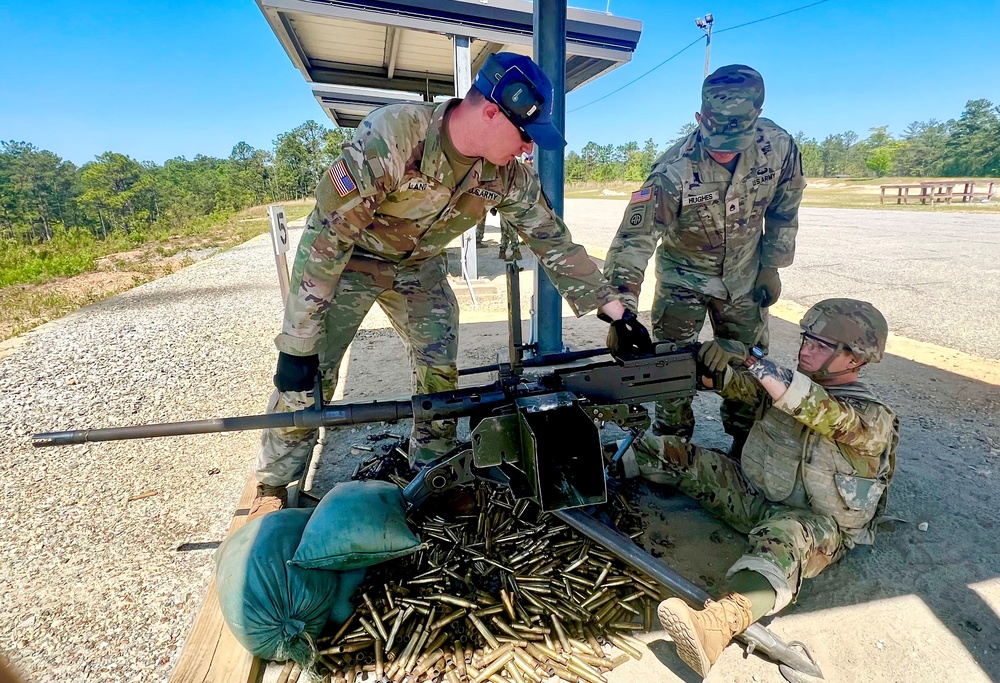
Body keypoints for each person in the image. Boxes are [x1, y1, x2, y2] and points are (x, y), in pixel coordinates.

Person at [250, 53, 652, 518]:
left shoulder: (506, 175)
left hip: (418, 266)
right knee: (309, 374)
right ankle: (274, 485)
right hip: (351, 261)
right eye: (524, 135)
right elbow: (327, 237)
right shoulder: (394, 136)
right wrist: (296, 343)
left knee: (440, 365)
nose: (527, 149)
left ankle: (432, 469)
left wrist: (616, 312)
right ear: (489, 112)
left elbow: (551, 240)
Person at [632, 299, 897, 677]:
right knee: (666, 452)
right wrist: (710, 364)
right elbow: (738, 385)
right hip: (752, 495)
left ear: (856, 358)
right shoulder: (785, 386)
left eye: (822, 345)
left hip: (814, 526)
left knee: (783, 536)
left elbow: (821, 410)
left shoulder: (872, 418)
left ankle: (716, 626)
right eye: (807, 338)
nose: (807, 348)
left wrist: (753, 360)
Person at [602, 64, 806, 458]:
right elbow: (633, 242)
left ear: (756, 120)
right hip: (684, 280)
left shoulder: (778, 148)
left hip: (745, 278)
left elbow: (785, 207)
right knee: (670, 367)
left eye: (737, 140)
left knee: (749, 363)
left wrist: (772, 265)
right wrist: (621, 312)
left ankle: (747, 448)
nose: (725, 150)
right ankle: (671, 447)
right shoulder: (672, 170)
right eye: (717, 140)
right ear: (700, 119)